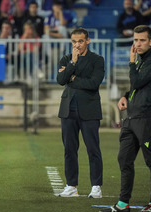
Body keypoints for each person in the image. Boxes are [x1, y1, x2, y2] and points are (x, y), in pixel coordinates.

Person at [100, 25, 151, 212]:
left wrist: (131, 62)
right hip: (132, 118)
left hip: (147, 119)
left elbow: (137, 81)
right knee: (124, 159)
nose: (137, 44)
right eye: (135, 40)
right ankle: (123, 203)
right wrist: (126, 96)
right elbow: (138, 87)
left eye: (142, 40)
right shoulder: (142, 61)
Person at [57, 27, 104, 198]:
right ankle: (71, 185)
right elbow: (61, 80)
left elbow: (94, 83)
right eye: (74, 42)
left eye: (80, 41)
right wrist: (73, 63)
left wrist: (73, 79)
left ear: (88, 41)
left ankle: (96, 186)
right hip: (68, 109)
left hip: (89, 110)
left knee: (93, 149)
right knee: (69, 149)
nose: (77, 45)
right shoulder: (66, 59)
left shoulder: (97, 60)